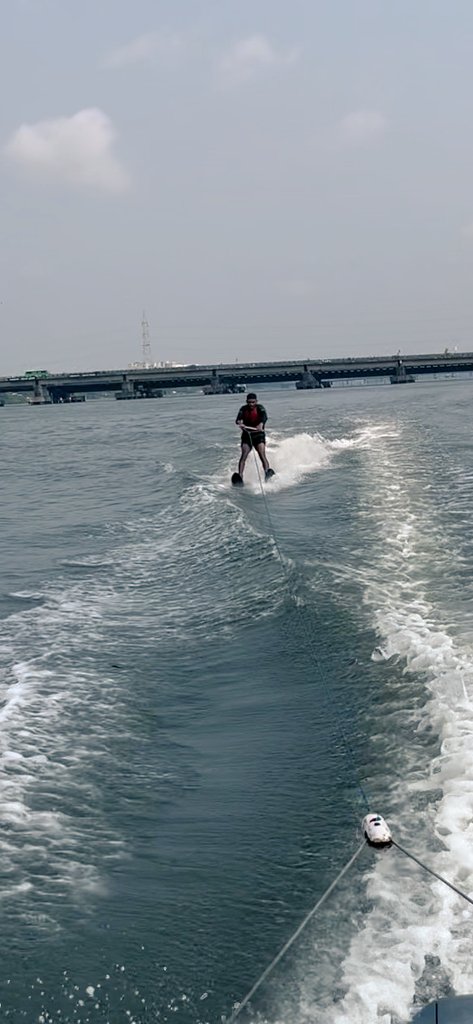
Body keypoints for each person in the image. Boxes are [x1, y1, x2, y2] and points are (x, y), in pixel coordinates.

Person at [235, 393, 274, 480]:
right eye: (249, 402)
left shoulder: (260, 408)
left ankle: (267, 473)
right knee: (243, 455)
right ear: (246, 402)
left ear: (256, 401)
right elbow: (238, 419)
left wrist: (261, 424)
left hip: (258, 435)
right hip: (247, 435)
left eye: (253, 402)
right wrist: (239, 422)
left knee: (261, 454)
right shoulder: (243, 408)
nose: (251, 404)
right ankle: (240, 476)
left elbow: (264, 417)